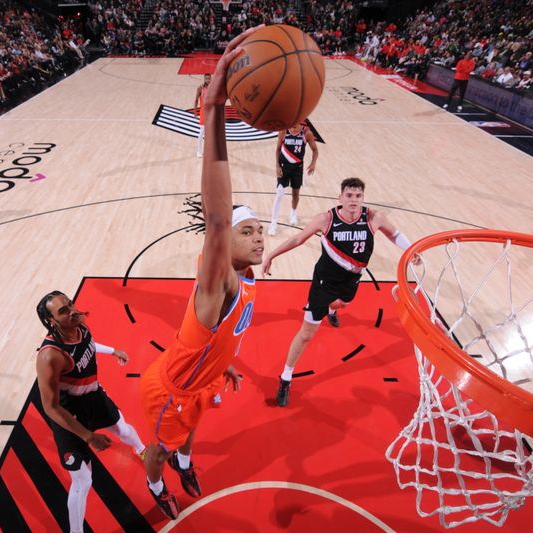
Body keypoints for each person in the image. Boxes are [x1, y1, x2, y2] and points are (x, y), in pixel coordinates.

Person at [140, 26, 264, 520]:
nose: (258, 237)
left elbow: (228, 331)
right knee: (159, 450)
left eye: (260, 231)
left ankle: (187, 460)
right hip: (172, 387)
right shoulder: (220, 279)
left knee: (190, 434)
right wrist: (213, 111)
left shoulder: (244, 277)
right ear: (225, 243)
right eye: (247, 230)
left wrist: (224, 362)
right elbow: (216, 219)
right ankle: (154, 486)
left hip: (203, 376)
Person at [263, 177, 419, 407]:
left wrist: (412, 250)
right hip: (324, 282)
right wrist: (271, 255)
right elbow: (298, 238)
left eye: (358, 196)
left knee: (343, 303)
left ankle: (332, 311)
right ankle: (286, 377)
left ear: (363, 198)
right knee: (307, 333)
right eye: (349, 196)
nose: (354, 200)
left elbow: (394, 235)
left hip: (352, 279)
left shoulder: (374, 218)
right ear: (340, 198)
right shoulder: (326, 219)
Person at [35, 291, 146, 533]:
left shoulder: (80, 327)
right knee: (83, 481)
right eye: (63, 311)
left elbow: (88, 345)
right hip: (68, 415)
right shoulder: (50, 356)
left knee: (124, 430)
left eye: (70, 304)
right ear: (51, 321)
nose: (72, 311)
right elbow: (50, 407)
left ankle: (142, 450)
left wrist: (113, 350)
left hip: (93, 397)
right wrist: (88, 435)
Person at [268, 122, 318, 236]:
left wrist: (313, 163)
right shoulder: (283, 131)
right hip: (283, 168)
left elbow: (315, 150)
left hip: (297, 168)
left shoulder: (306, 133)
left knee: (295, 194)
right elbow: (278, 149)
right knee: (279, 194)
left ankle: (293, 213)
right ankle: (273, 223)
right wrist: (277, 166)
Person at [193, 73, 211, 158]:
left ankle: (208, 151)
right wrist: (195, 111)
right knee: (202, 131)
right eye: (206, 78)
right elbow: (196, 100)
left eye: (209, 78)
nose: (208, 80)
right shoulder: (200, 88)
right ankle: (199, 152)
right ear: (204, 79)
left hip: (211, 112)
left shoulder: (213, 88)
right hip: (203, 112)